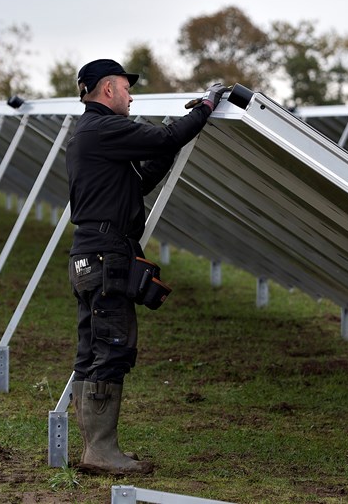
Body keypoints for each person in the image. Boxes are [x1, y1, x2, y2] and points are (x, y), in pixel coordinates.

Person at [65, 58, 224, 475]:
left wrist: (169, 146)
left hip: (92, 253)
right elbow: (165, 136)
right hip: (104, 256)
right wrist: (205, 107)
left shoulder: (93, 134)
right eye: (126, 88)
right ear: (107, 90)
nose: (131, 96)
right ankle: (100, 451)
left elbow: (138, 181)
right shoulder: (103, 127)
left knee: (93, 351)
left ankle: (97, 448)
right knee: (112, 348)